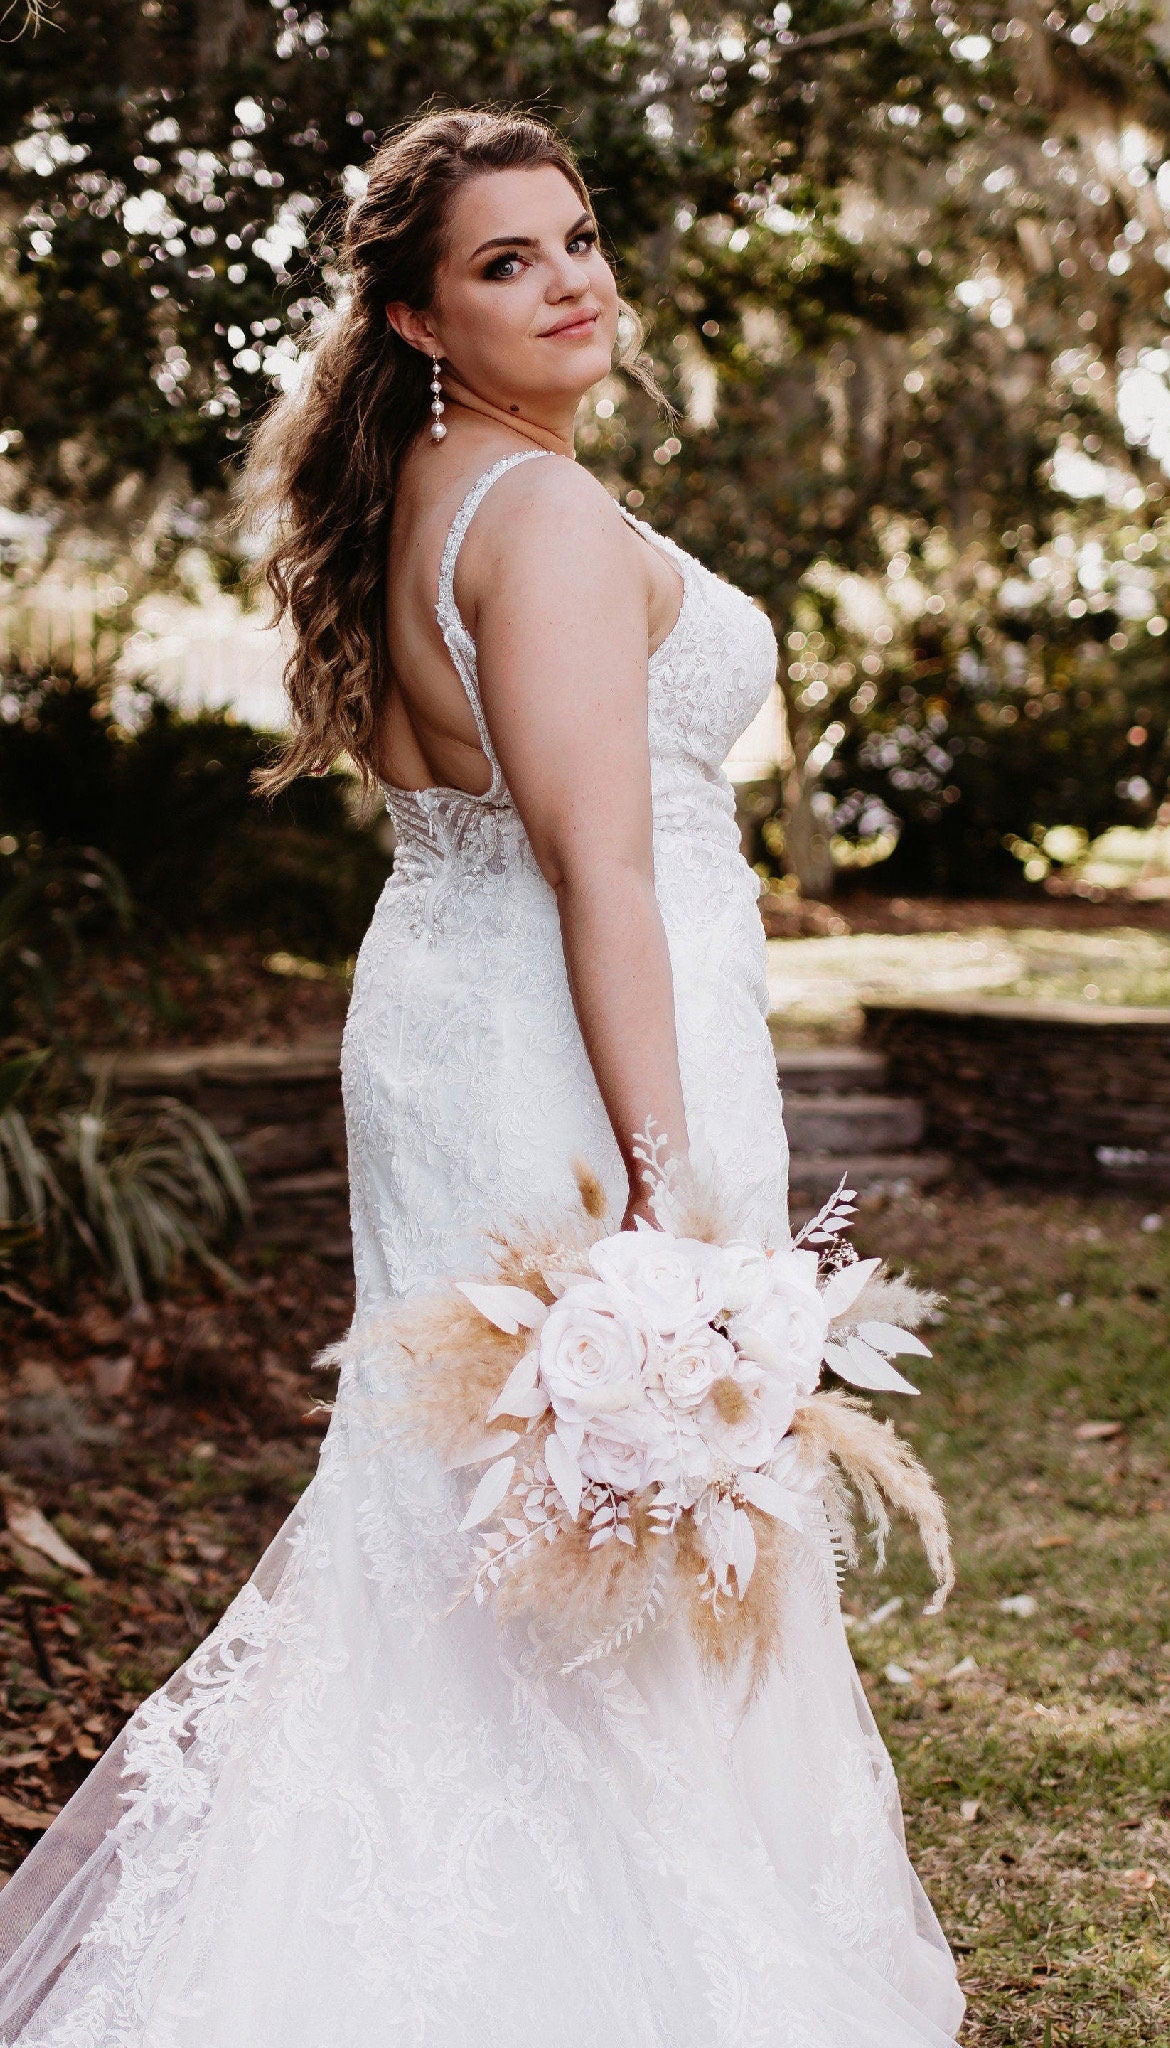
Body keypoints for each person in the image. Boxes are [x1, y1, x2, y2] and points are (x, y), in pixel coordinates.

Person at [0, 107, 964, 2046]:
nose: (573, 280)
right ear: (422, 316)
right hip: (569, 1047)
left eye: (581, 236)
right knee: (591, 1496)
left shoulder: (428, 488)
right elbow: (598, 866)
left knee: (481, 1513)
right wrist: (674, 1205)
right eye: (508, 262)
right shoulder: (540, 517)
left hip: (454, 1015)